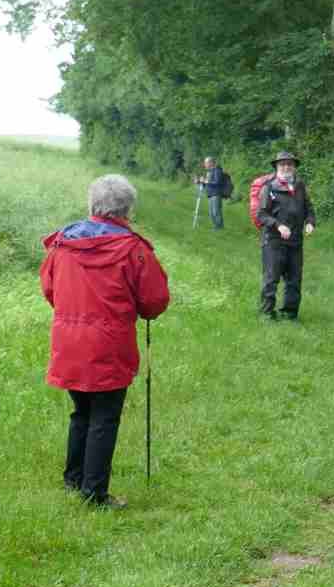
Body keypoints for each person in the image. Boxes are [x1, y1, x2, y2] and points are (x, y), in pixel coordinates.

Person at [40, 174, 171, 508]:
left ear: (93, 203)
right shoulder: (133, 249)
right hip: (110, 344)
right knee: (104, 416)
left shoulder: (62, 244)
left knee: (82, 411)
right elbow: (153, 301)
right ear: (127, 209)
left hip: (69, 342)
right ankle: (94, 494)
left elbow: (50, 289)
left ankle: (74, 481)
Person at [256, 151, 315, 320]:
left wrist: (310, 222)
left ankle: (290, 314)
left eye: (290, 164)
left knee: (294, 280)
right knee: (271, 279)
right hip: (273, 241)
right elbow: (262, 214)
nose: (286, 167)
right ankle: (267, 314)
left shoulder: (300, 186)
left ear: (294, 167)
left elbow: (309, 209)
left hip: (296, 241)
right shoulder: (269, 187)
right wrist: (278, 225)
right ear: (276, 167)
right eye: (282, 164)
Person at [195, 156, 233, 230]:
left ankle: (220, 227)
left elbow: (217, 182)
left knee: (216, 212)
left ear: (211, 163)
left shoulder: (217, 171)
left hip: (216, 194)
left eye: (206, 163)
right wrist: (199, 181)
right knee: (211, 213)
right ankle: (216, 227)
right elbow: (207, 184)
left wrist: (206, 181)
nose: (205, 165)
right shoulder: (209, 172)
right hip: (210, 194)